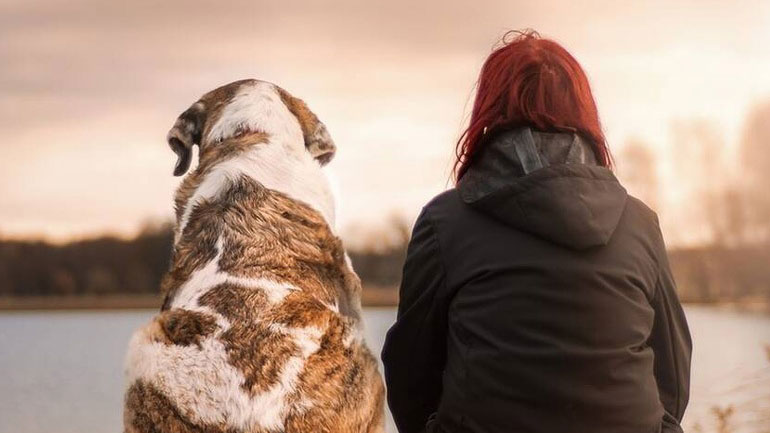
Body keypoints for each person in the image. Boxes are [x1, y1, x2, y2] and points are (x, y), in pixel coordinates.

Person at [381, 30, 692, 433]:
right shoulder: (639, 223)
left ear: (488, 111)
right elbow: (674, 375)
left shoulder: (446, 222)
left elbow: (410, 373)